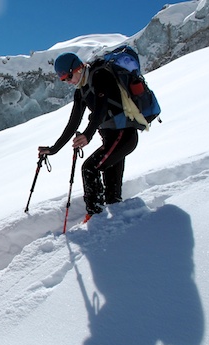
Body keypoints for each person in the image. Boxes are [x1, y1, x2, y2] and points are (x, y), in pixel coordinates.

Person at [38, 52, 139, 222]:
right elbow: (73, 124)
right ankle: (116, 226)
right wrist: (53, 149)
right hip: (111, 139)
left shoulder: (99, 75)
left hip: (123, 134)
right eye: (63, 79)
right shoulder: (81, 91)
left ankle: (95, 215)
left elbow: (101, 108)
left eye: (68, 76)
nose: (68, 81)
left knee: (89, 168)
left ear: (77, 68)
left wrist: (87, 135)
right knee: (112, 195)